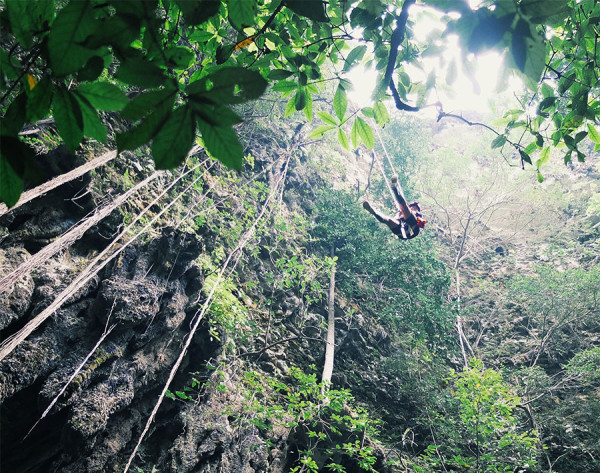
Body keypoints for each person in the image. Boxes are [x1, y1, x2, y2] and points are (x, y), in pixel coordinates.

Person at [362, 175, 426, 240]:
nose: (413, 208)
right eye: (413, 207)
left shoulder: (417, 215)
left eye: (415, 207)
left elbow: (419, 222)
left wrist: (411, 213)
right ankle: (373, 211)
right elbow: (396, 219)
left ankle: (394, 188)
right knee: (389, 220)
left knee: (404, 207)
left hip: (411, 230)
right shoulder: (401, 213)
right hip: (401, 230)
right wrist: (399, 213)